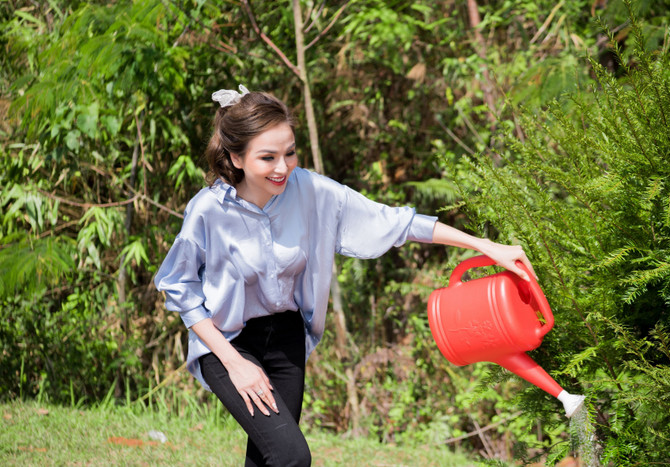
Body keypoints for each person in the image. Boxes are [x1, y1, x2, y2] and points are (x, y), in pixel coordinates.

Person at [154, 85, 536, 466]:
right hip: (227, 342)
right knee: (291, 457)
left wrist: (486, 246)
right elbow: (179, 286)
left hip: (286, 338)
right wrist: (235, 364)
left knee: (269, 457)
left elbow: (394, 222)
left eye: (290, 153)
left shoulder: (310, 191)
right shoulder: (208, 210)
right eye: (267, 157)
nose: (283, 167)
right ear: (236, 157)